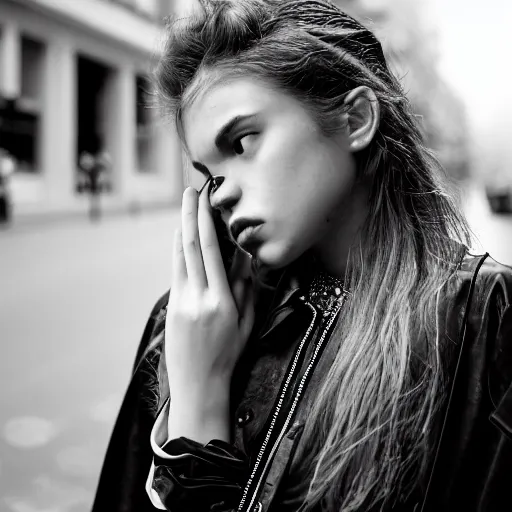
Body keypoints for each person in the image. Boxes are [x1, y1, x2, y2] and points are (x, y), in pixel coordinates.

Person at [92, 1, 512, 511]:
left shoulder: (486, 321)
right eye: (208, 175)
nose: (219, 195)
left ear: (355, 118)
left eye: (243, 141)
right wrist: (196, 398)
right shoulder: (183, 329)